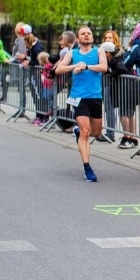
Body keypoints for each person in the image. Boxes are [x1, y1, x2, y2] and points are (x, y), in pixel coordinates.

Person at [54, 26, 107, 182]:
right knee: (85, 132)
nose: (86, 35)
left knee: (96, 133)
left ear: (92, 38)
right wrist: (74, 66)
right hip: (79, 97)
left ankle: (77, 132)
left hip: (95, 97)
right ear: (77, 39)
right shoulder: (72, 53)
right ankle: (87, 168)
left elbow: (104, 67)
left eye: (89, 33)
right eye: (83, 34)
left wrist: (86, 66)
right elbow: (58, 69)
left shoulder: (98, 52)